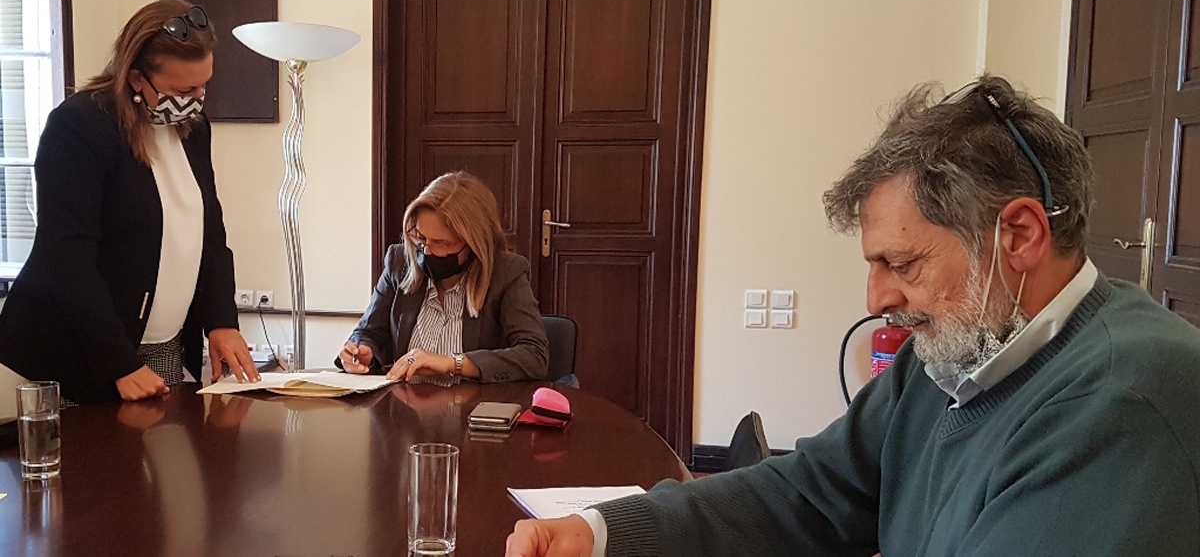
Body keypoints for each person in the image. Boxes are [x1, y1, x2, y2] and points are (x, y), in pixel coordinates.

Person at [505, 75, 1200, 556]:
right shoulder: (955, 355)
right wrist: (604, 533)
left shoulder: (1123, 402)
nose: (876, 301)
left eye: (903, 263)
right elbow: (811, 493)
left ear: (1017, 236)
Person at [0, 0, 259, 404]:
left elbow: (210, 234)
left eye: (203, 86)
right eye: (184, 90)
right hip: (81, 352)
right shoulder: (78, 126)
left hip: (163, 346)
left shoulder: (193, 128)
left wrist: (221, 321)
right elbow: (66, 256)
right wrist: (118, 363)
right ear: (136, 78)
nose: (197, 99)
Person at [338, 171, 548, 383]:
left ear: (474, 243)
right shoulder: (399, 262)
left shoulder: (506, 272)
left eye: (442, 243)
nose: (427, 251)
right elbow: (368, 333)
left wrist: (452, 363)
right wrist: (362, 352)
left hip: (472, 402)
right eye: (420, 238)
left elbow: (534, 356)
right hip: (404, 400)